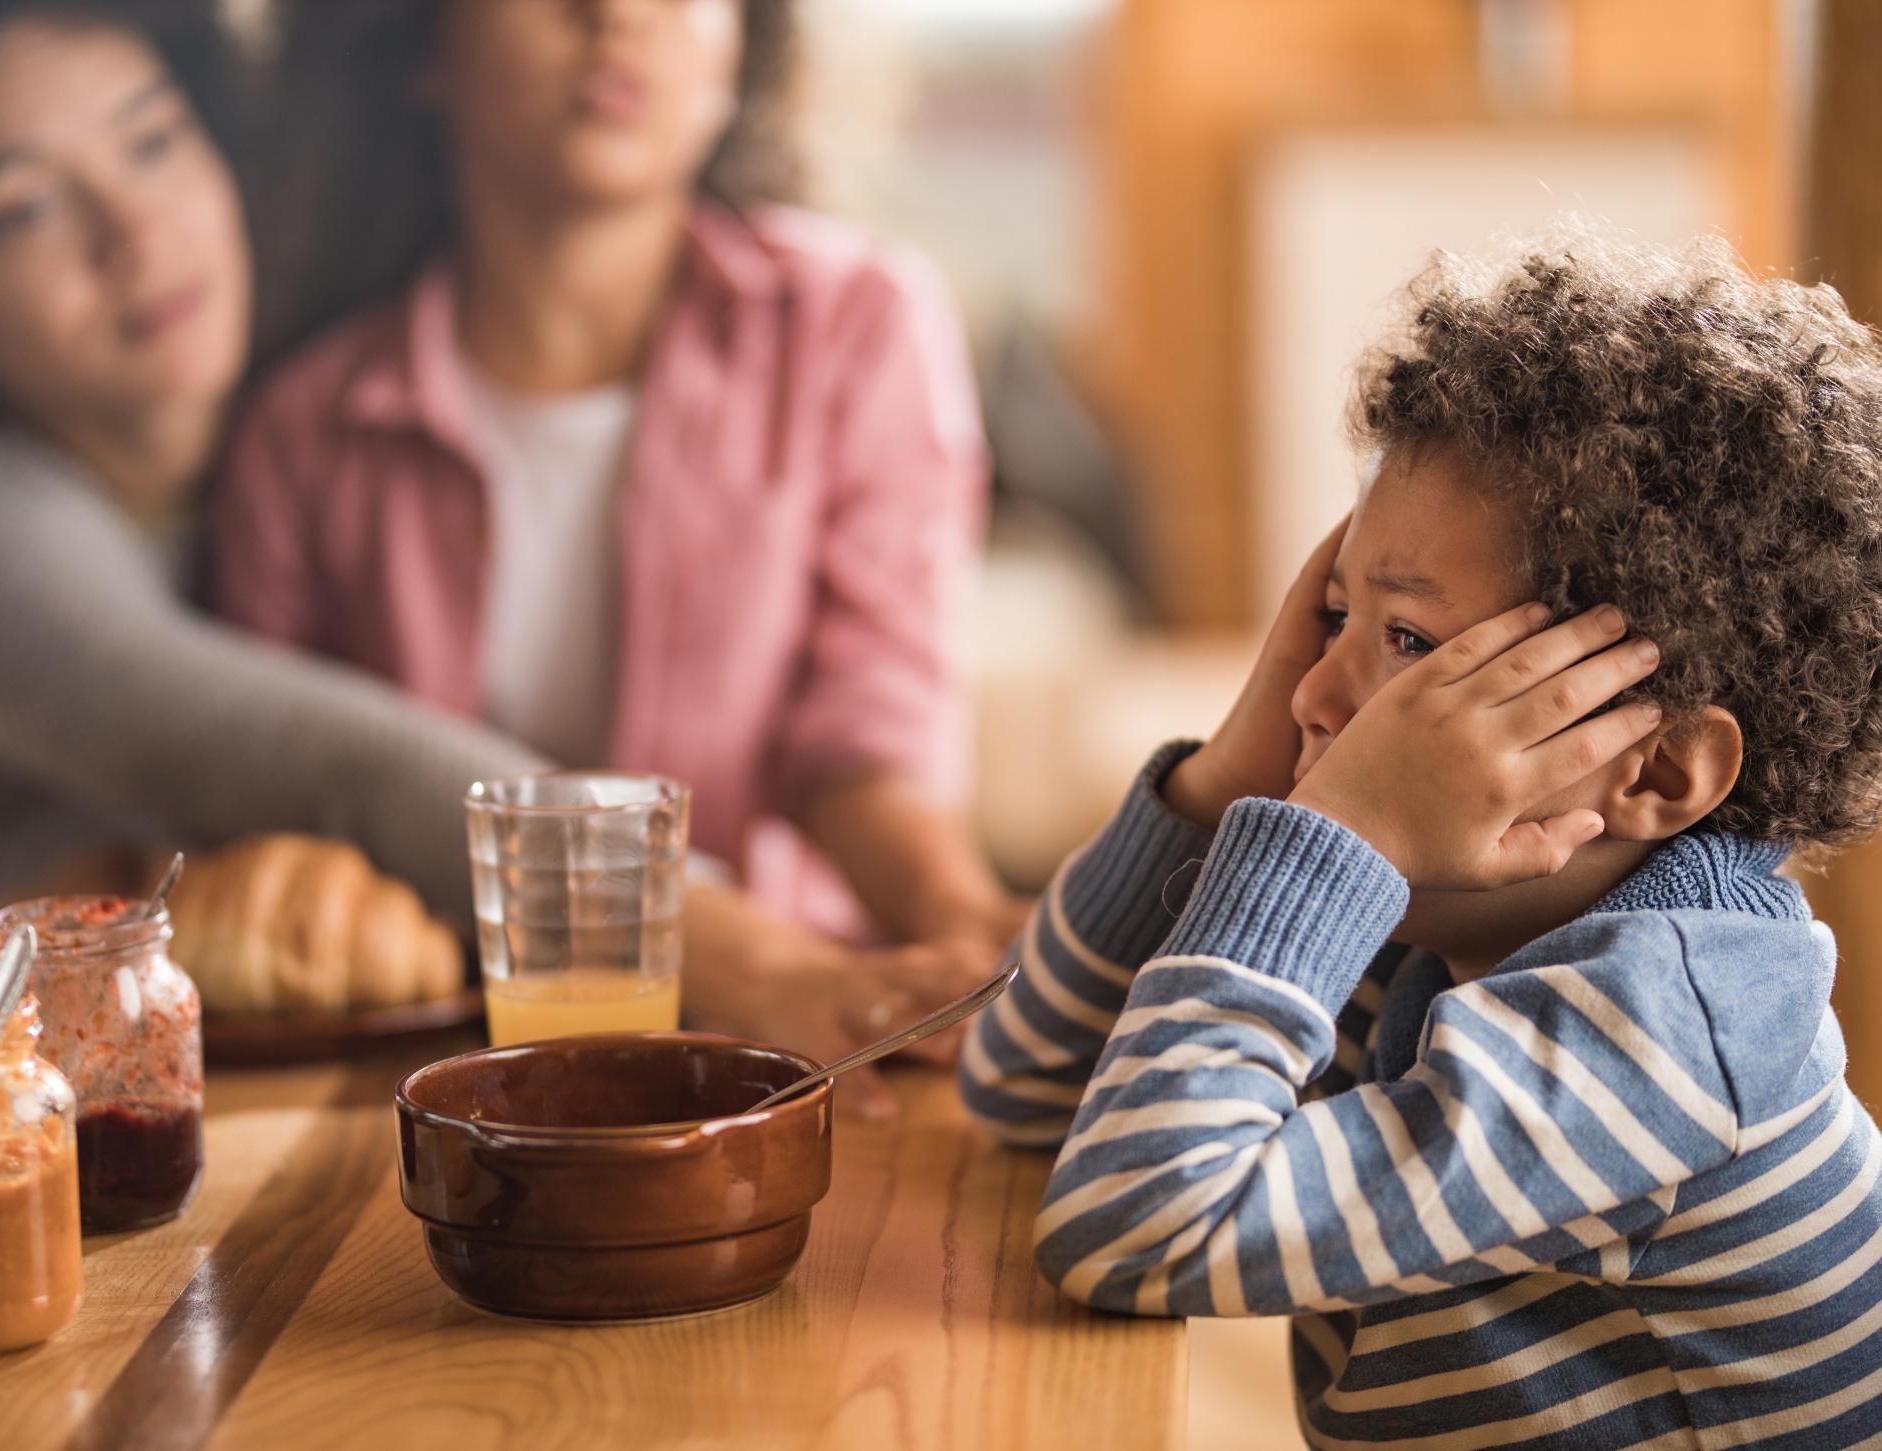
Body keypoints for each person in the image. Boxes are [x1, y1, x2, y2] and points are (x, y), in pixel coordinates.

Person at [962, 231, 1882, 1445]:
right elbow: (1029, 1081)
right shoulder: (1431, 921)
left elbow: (1140, 1220)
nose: (1314, 692)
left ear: (1657, 767)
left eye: (1406, 643)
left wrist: (1315, 847)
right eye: (1335, 614)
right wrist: (1226, 777)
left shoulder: (1661, 1032)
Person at [214, 0, 1022, 1109]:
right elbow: (277, 820)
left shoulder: (858, 324)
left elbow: (865, 731)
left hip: (792, 1047)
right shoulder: (303, 431)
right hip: (448, 1083)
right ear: (418, 46)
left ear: (743, 44)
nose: (617, 16)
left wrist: (967, 928)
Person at [0, 0, 545, 986]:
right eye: (22, 209)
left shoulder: (312, 424)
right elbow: (342, 766)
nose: (134, 232)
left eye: (152, 142)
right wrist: (677, 900)